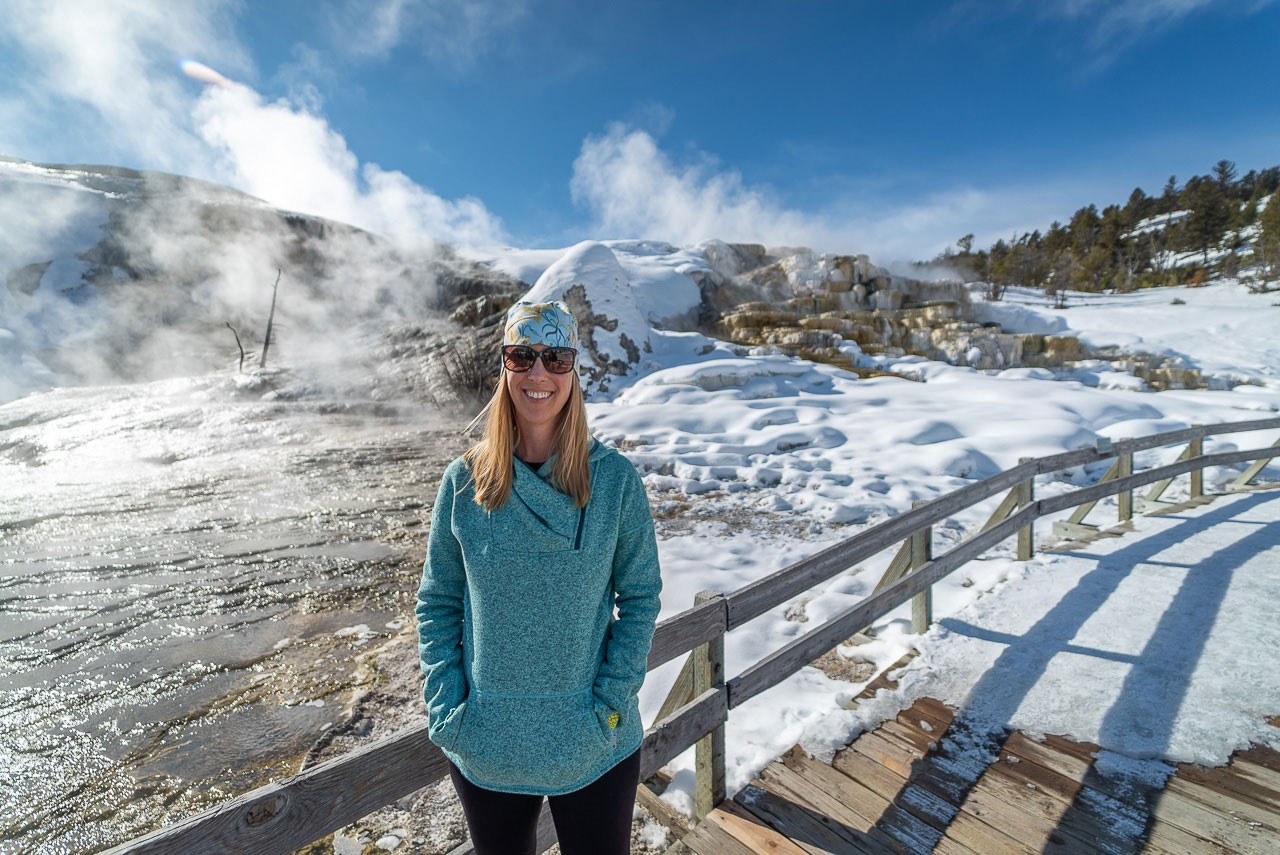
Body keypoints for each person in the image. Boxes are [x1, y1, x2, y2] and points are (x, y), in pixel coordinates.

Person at [416, 300, 662, 855]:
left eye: (556, 357)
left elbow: (641, 598)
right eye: (522, 356)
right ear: (504, 367)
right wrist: (448, 708)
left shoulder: (615, 482)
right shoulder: (464, 482)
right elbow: (438, 601)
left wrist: (610, 707)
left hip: (594, 745)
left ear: (574, 370)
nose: (538, 374)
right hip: (487, 743)